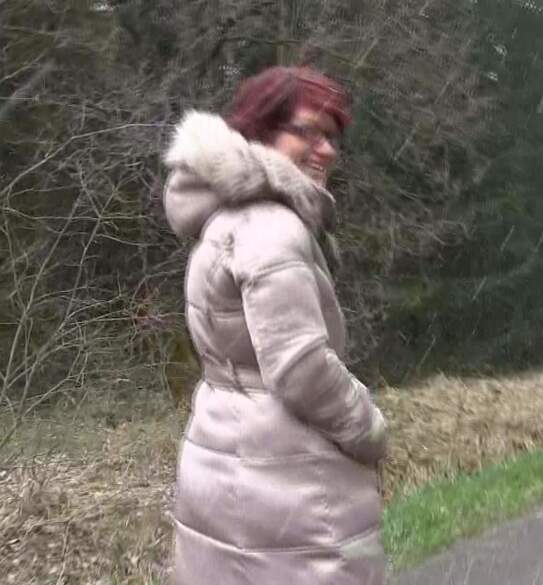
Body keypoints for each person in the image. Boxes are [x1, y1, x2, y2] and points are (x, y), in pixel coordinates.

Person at [162, 66, 388, 585]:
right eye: (307, 131)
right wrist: (369, 427)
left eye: (331, 137)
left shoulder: (224, 221)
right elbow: (301, 368)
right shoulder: (272, 227)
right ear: (260, 131)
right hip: (289, 484)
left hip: (223, 458)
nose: (326, 150)